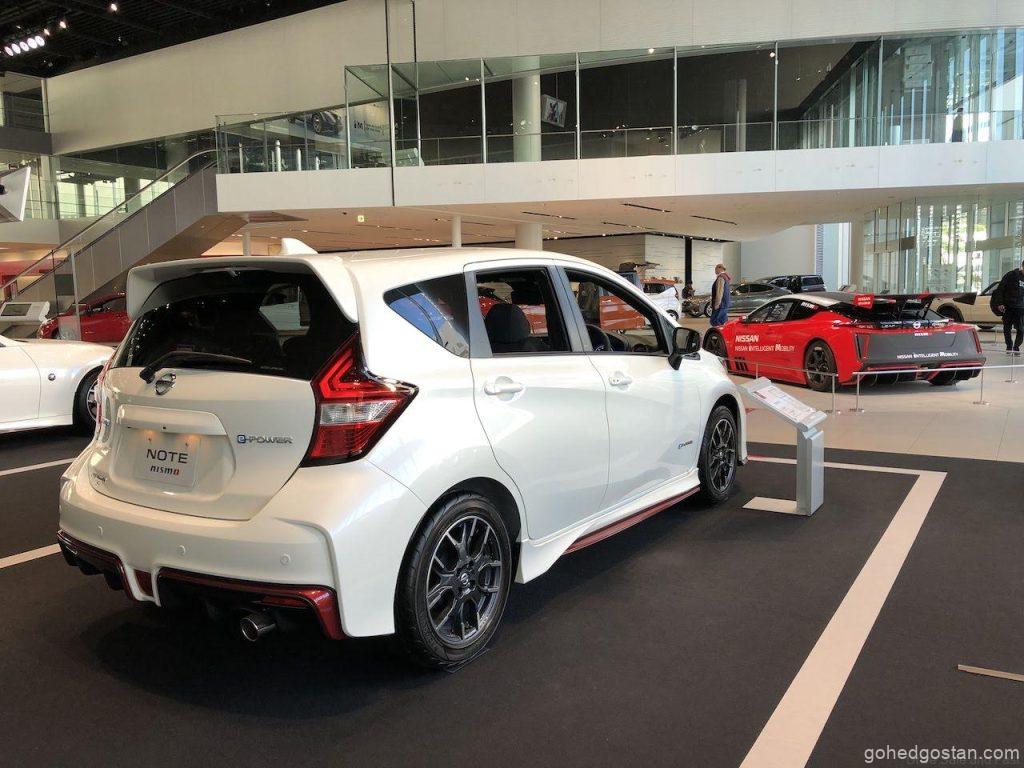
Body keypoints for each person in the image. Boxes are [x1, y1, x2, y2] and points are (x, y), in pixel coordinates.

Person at [993, 258, 1024, 354]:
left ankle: (1016, 347)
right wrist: (1000, 303)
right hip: (1008, 306)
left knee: (1021, 329)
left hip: (1021, 308)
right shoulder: (1011, 275)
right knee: (1007, 328)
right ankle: (1009, 346)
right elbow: (1000, 289)